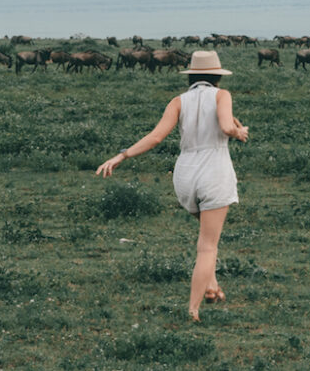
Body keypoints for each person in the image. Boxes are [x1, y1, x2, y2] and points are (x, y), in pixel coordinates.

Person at [96, 50, 249, 321]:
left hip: (185, 174)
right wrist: (239, 132)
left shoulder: (178, 101)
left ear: (191, 75)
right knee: (207, 246)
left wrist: (122, 155)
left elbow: (155, 137)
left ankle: (212, 287)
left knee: (205, 236)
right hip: (213, 171)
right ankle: (193, 309)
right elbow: (226, 127)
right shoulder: (222, 95)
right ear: (217, 77)